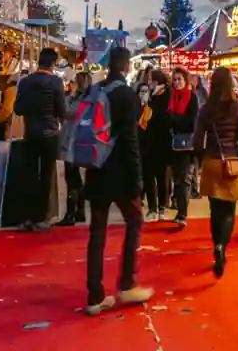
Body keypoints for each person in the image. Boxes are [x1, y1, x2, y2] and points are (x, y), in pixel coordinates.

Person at [82, 46, 153, 316]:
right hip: (121, 171)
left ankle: (95, 296)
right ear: (126, 67)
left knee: (97, 232)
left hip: (96, 167)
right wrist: (137, 177)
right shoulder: (126, 95)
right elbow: (131, 140)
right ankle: (127, 282)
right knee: (134, 220)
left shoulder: (96, 91)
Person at [193, 67, 238, 278]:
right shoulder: (237, 107)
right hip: (231, 163)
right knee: (229, 211)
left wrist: (202, 158)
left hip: (212, 162)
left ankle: (216, 244)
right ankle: (222, 247)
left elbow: (197, 140)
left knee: (215, 210)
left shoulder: (206, 109)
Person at [13, 49, 67, 231]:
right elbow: (62, 111)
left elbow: (18, 108)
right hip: (50, 134)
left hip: (31, 132)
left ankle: (25, 216)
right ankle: (40, 217)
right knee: (45, 175)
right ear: (53, 63)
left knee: (29, 174)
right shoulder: (56, 82)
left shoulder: (26, 82)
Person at [58, 71, 94, 226]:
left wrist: (71, 95)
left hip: (74, 141)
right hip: (77, 141)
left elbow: (66, 112)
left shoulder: (81, 100)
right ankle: (79, 212)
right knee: (76, 178)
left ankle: (71, 214)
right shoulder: (87, 99)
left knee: (72, 178)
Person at [167, 67, 198, 226]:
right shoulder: (171, 97)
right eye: (175, 79)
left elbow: (191, 122)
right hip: (173, 145)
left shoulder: (191, 98)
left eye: (180, 79)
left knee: (183, 179)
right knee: (177, 180)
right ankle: (180, 211)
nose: (177, 82)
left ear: (186, 81)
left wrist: (174, 119)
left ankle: (182, 214)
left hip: (187, 146)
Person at [141, 69, 172, 222]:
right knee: (148, 176)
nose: (148, 82)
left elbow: (161, 116)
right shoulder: (149, 95)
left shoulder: (165, 95)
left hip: (160, 141)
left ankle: (160, 208)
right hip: (149, 141)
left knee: (161, 176)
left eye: (151, 79)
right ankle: (153, 208)